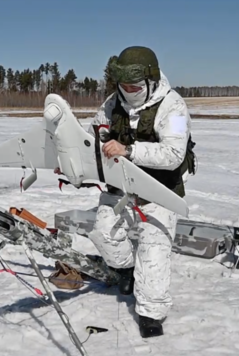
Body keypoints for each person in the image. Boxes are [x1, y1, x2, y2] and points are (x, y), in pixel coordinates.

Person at [83, 46, 195, 338]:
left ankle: (151, 315)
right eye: (123, 86)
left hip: (160, 189)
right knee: (104, 233)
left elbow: (173, 153)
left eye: (134, 86)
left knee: (154, 252)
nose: (128, 91)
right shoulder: (112, 102)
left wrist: (129, 150)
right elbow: (96, 130)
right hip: (120, 186)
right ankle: (127, 269)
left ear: (151, 81)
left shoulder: (175, 107)